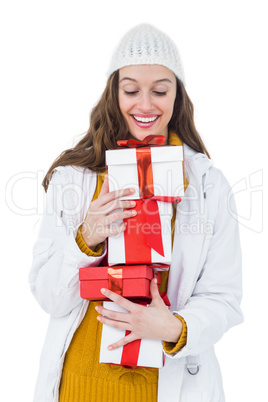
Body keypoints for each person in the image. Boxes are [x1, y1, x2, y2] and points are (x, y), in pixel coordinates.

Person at [29, 23, 243, 402]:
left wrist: (175, 327)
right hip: (81, 385)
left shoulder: (209, 186)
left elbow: (223, 298)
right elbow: (50, 297)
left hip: (170, 386)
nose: (145, 105)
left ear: (178, 96)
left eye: (160, 90)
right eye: (131, 90)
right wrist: (86, 237)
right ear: (114, 93)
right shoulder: (73, 179)